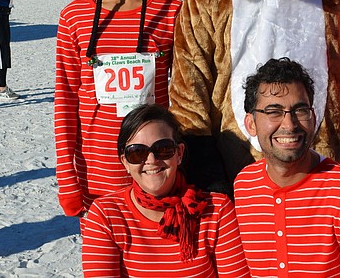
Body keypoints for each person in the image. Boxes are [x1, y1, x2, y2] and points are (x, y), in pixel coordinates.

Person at [55, 0, 181, 222]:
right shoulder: (75, 16)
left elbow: (186, 93)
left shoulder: (171, 10)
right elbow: (66, 100)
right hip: (97, 171)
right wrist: (67, 180)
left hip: (157, 165)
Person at [234, 58, 340, 278]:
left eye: (300, 110)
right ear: (251, 124)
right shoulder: (244, 185)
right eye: (274, 111)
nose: (289, 124)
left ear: (314, 118)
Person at [81, 104, 250, 277]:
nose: (152, 160)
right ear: (125, 161)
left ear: (179, 153)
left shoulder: (216, 211)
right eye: (137, 152)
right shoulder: (107, 215)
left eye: (163, 149)